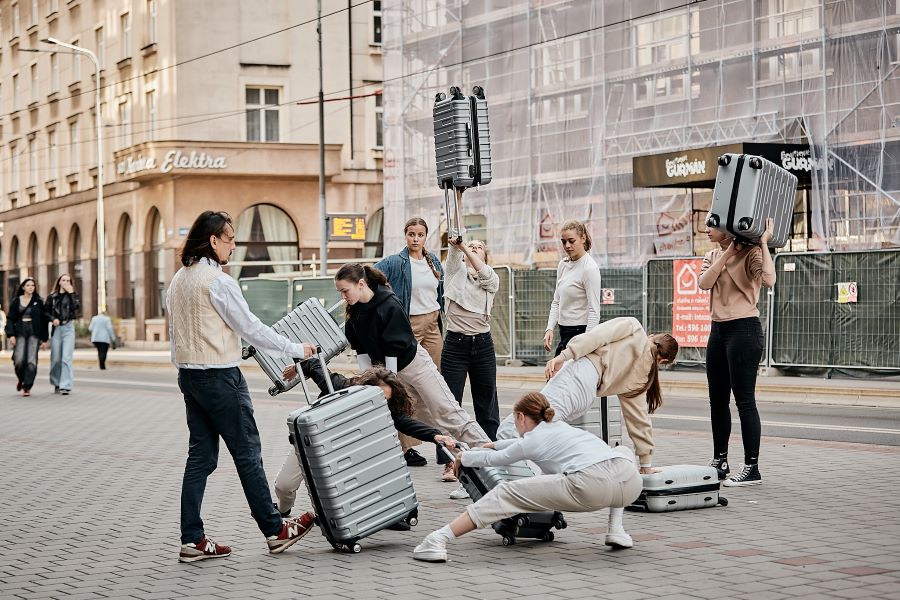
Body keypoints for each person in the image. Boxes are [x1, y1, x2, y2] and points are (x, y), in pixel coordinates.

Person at [166, 210, 319, 563]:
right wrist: (296, 349)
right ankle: (275, 530)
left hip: (190, 376)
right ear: (214, 240)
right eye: (230, 238)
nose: (235, 246)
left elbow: (176, 334)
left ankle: (192, 539)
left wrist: (186, 368)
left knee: (200, 458)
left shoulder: (179, 280)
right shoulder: (218, 281)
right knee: (248, 453)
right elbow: (250, 327)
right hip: (220, 376)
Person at [497, 316, 678, 543]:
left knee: (508, 430)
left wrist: (564, 356)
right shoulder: (643, 378)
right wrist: (646, 463)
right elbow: (638, 419)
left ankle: (526, 497)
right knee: (546, 441)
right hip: (585, 396)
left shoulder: (634, 328)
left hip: (578, 375)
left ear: (653, 337)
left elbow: (596, 337)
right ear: (662, 362)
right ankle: (613, 528)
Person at [412, 392, 642, 563]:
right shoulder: (561, 428)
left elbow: (499, 459)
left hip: (590, 486)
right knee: (623, 450)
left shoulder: (534, 439)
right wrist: (495, 443)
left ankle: (438, 539)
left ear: (521, 417)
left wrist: (464, 457)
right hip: (630, 483)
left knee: (506, 493)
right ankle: (616, 530)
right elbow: (523, 445)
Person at [273, 365, 458, 530]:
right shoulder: (341, 386)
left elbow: (404, 422)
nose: (381, 404)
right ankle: (283, 509)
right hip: (313, 442)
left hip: (346, 450)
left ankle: (383, 516)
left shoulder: (385, 407)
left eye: (386, 400)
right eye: (377, 397)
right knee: (284, 486)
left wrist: (435, 435)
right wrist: (298, 368)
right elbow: (314, 364)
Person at [335, 263, 491, 454]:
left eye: (345, 291)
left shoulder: (389, 305)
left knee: (447, 412)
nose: (343, 296)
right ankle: (461, 456)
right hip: (388, 372)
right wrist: (368, 385)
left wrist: (388, 384)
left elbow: (393, 351)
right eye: (340, 292)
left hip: (414, 365)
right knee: (425, 418)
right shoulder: (354, 315)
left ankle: (490, 452)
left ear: (361, 283)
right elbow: (362, 353)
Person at [698, 218, 776, 487]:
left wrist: (763, 243)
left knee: (744, 401)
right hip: (718, 331)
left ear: (728, 227)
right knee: (716, 401)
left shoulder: (752, 253)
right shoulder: (711, 254)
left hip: (744, 330)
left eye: (711, 223)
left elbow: (769, 280)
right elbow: (704, 283)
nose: (706, 227)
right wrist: (728, 252)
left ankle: (752, 468)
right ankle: (720, 460)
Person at [438, 188, 501, 483]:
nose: (472, 248)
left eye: (479, 247)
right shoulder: (454, 274)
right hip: (456, 344)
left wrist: (468, 250)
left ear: (485, 256)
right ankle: (451, 462)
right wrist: (458, 199)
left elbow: (484, 273)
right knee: (451, 404)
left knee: (486, 402)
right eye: (470, 246)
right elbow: (456, 238)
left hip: (483, 345)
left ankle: (491, 455)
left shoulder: (490, 279)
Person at [375, 217, 445, 468]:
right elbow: (370, 276)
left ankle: (438, 439)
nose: (416, 238)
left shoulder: (433, 260)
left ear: (426, 237)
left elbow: (439, 292)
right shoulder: (396, 261)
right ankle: (404, 448)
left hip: (434, 324)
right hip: (410, 325)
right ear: (405, 236)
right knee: (403, 385)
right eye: (411, 234)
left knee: (433, 383)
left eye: (420, 234)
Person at [543, 220, 603, 357]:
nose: (567, 246)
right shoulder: (563, 265)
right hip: (563, 331)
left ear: (583, 238)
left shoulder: (589, 268)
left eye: (571, 241)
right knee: (555, 376)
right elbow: (556, 301)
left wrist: (586, 343)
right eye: (563, 242)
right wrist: (549, 329)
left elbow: (594, 311)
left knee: (557, 375)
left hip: (580, 332)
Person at [5, 278, 49, 396]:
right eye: (28, 285)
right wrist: (11, 335)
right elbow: (10, 319)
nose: (30, 287)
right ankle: (21, 379)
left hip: (34, 333)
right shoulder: (16, 301)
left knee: (31, 361)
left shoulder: (38, 301)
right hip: (20, 332)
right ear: (23, 287)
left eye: (32, 285)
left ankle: (27, 386)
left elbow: (43, 321)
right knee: (18, 360)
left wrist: (44, 339)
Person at [46, 274, 80, 395]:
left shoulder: (73, 295)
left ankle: (65, 385)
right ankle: (56, 383)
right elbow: (45, 312)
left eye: (68, 281)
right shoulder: (52, 297)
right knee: (56, 358)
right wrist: (52, 319)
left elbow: (76, 308)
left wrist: (71, 293)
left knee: (66, 358)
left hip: (68, 328)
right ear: (59, 282)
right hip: (56, 329)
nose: (65, 282)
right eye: (63, 280)